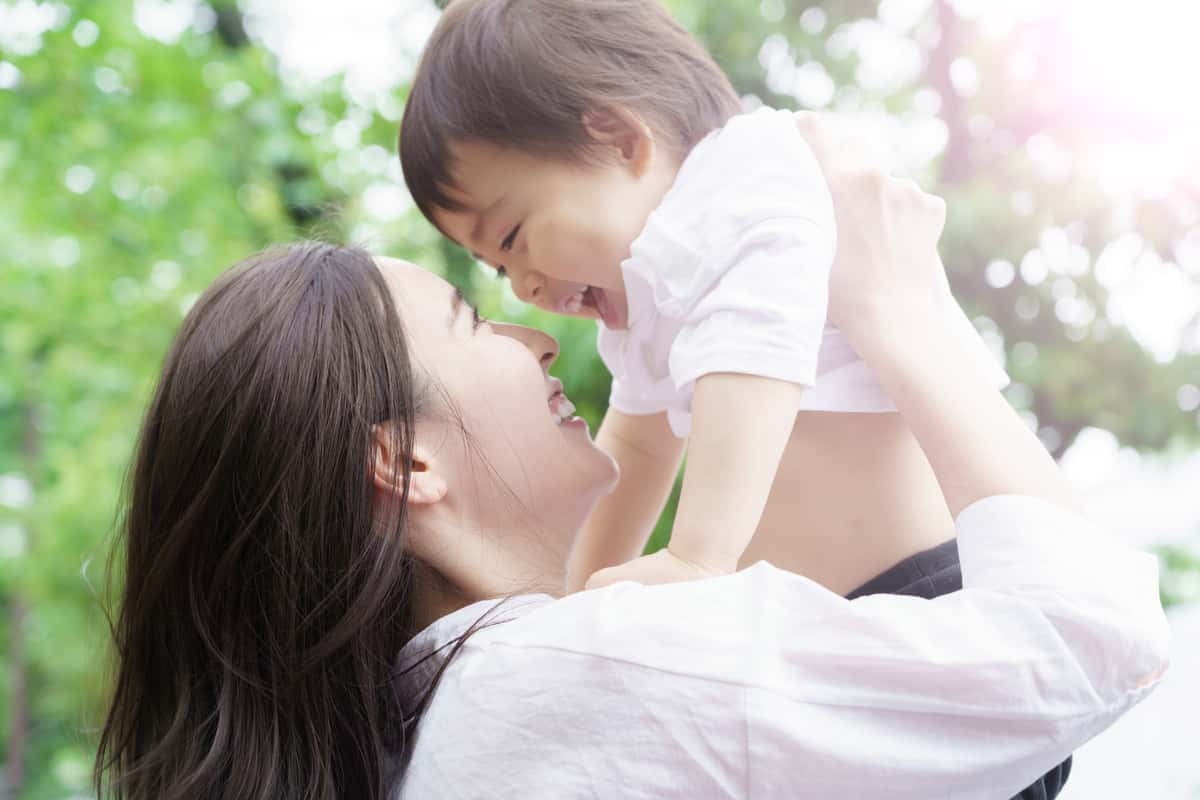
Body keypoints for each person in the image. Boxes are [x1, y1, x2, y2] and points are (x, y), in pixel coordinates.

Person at [94, 117, 1168, 799]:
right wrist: (903, 313)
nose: (534, 332)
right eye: (472, 320)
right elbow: (1092, 640)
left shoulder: (428, 737)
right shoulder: (585, 673)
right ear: (410, 465)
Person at [397, 0, 1009, 596]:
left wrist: (699, 556)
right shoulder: (645, 292)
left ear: (618, 139)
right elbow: (636, 449)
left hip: (929, 580)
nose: (525, 287)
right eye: (500, 269)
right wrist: (570, 598)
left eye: (512, 238)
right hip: (834, 617)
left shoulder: (746, 175)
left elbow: (755, 346)